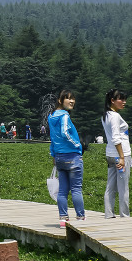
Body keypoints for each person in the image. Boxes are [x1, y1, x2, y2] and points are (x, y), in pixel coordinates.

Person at [48, 89, 85, 227]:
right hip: (72, 156)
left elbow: (53, 137)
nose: (72, 101)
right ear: (60, 100)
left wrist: (53, 154)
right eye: (68, 98)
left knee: (63, 190)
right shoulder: (64, 116)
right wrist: (77, 145)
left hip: (59, 157)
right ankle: (80, 219)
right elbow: (64, 133)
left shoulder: (51, 116)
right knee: (76, 189)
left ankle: (63, 219)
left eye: (73, 98)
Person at [102, 88, 131, 219]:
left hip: (110, 154)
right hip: (120, 154)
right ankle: (125, 216)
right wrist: (122, 157)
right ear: (112, 101)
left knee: (111, 185)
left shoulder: (106, 115)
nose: (124, 102)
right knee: (123, 187)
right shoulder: (114, 116)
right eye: (121, 99)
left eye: (124, 99)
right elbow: (116, 138)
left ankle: (109, 214)